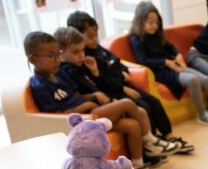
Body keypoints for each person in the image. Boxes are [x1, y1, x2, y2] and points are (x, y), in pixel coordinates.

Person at [24, 31, 164, 169]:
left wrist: (93, 96)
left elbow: (78, 95)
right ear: (32, 59)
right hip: (79, 122)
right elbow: (57, 115)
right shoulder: (39, 85)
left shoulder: (60, 73)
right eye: (51, 56)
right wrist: (87, 105)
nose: (58, 59)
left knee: (132, 125)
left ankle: (138, 166)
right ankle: (151, 142)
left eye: (58, 54)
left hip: (90, 114)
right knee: (128, 103)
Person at [66, 10, 195, 154]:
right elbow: (103, 80)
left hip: (123, 85)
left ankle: (168, 138)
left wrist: (124, 72)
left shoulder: (99, 49)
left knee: (153, 101)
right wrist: (123, 88)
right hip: (116, 90)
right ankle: (150, 145)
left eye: (96, 34)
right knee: (143, 106)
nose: (95, 39)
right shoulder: (85, 59)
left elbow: (116, 61)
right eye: (89, 36)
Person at [54, 26, 179, 168]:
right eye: (75, 52)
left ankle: (140, 163)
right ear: (61, 53)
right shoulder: (66, 70)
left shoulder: (81, 65)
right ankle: (151, 143)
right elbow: (84, 94)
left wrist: (95, 72)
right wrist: (98, 96)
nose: (82, 55)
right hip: (91, 113)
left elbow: (98, 84)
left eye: (82, 50)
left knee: (137, 118)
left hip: (102, 106)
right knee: (128, 103)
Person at [129, 1, 208, 128]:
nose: (154, 26)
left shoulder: (157, 35)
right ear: (140, 21)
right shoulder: (135, 39)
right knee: (193, 79)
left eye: (156, 22)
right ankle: (203, 114)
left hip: (173, 65)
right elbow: (143, 60)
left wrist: (178, 54)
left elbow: (170, 47)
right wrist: (166, 62)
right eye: (150, 22)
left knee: (206, 79)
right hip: (160, 71)